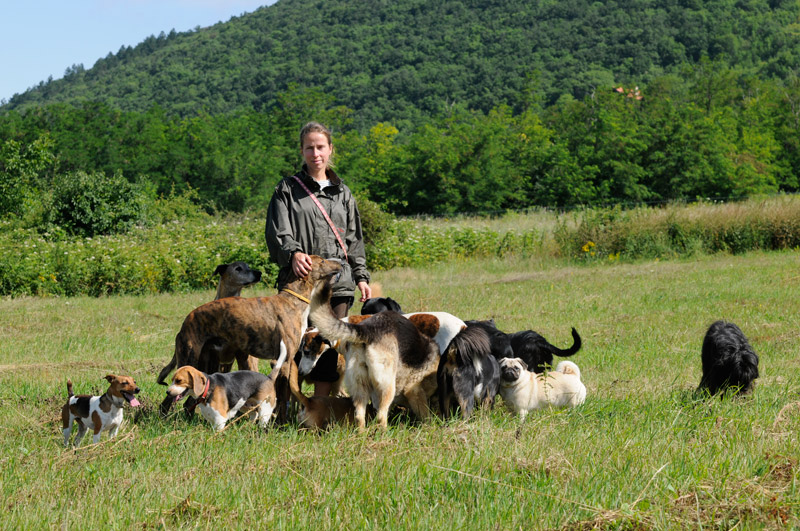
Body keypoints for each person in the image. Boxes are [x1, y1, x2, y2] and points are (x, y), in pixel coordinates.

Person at [265, 121, 372, 395]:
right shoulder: (287, 190)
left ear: (330, 149)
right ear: (302, 151)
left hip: (338, 284)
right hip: (300, 286)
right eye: (309, 147)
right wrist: (292, 253)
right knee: (294, 345)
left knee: (328, 347)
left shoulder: (343, 193)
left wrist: (361, 276)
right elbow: (278, 231)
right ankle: (287, 407)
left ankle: (322, 409)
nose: (316, 153)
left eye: (320, 147)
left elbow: (354, 238)